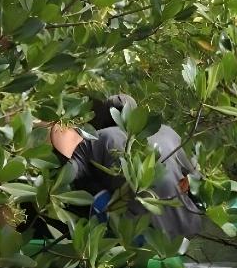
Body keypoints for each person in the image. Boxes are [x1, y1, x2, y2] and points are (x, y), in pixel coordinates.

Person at [48, 95, 204, 239]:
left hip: (140, 235)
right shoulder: (168, 132)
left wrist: (56, 159)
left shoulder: (97, 138)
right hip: (188, 228)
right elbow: (195, 179)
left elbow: (68, 175)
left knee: (85, 182)